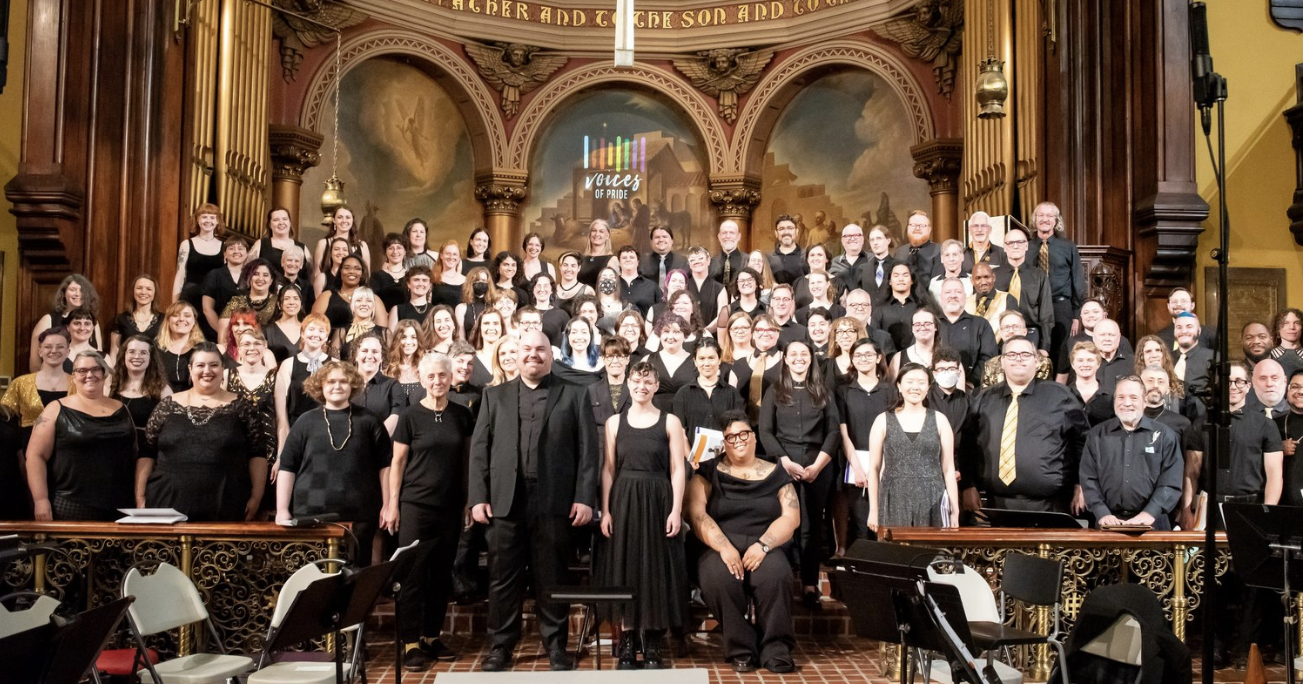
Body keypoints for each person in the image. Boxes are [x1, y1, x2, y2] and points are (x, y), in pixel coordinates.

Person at [468, 331, 599, 672]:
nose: (533, 355)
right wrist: (478, 497)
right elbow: (479, 451)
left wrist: (585, 498)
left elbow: (588, 452)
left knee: (552, 577)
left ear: (551, 356)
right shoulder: (493, 396)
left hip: (554, 500)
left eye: (540, 349)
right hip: (504, 501)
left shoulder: (575, 394)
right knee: (502, 578)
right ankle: (500, 646)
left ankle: (555, 646)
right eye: (526, 349)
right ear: (516, 354)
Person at [685, 409, 801, 673]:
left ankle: (775, 648)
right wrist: (724, 547)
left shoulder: (776, 472)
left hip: (764, 546)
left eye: (743, 434)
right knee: (719, 577)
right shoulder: (708, 472)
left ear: (754, 436)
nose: (738, 440)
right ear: (723, 442)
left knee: (776, 575)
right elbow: (696, 513)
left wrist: (763, 546)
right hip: (718, 546)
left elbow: (791, 517)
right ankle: (741, 647)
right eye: (731, 437)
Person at [382, 352, 475, 670]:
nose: (437, 381)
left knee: (441, 575)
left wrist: (468, 499)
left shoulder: (462, 415)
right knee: (412, 575)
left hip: (449, 507)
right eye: (431, 376)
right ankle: (410, 642)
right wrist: (393, 505)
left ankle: (431, 636)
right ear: (422, 380)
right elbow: (397, 463)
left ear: (451, 378)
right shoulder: (410, 416)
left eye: (442, 375)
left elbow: (466, 461)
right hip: (415, 506)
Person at [599, 361, 688, 669]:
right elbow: (608, 469)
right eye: (636, 381)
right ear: (628, 383)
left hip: (658, 498)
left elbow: (678, 469)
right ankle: (627, 639)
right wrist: (606, 510)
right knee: (626, 566)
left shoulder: (670, 421)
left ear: (656, 386)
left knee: (655, 567)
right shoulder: (613, 422)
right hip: (624, 499)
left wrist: (676, 509)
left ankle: (652, 639)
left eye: (648, 381)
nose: (642, 386)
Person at [140, 342, 271, 521]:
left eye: (214, 365)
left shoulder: (243, 407)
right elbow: (147, 452)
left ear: (223, 368)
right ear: (190, 369)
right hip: (166, 502)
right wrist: (140, 497)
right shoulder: (167, 406)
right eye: (200, 365)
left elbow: (258, 453)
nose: (207, 371)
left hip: (226, 503)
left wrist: (256, 497)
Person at [277, 360, 391, 563]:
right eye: (330, 381)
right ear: (320, 385)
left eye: (343, 381)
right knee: (312, 576)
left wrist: (388, 504)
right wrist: (282, 510)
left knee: (356, 574)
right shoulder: (305, 421)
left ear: (352, 385)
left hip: (360, 514)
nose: (337, 386)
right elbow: (287, 467)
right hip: (311, 514)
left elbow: (385, 467)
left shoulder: (370, 420)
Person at [960, 336, 1089, 514]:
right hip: (995, 504)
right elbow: (967, 446)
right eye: (1011, 354)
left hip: (1051, 505)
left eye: (1025, 354)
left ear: (1037, 361)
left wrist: (1081, 484)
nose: (1018, 359)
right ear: (1002, 361)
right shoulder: (984, 399)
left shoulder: (1061, 396)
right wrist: (968, 485)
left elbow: (1083, 443)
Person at [759, 339, 839, 608]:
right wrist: (784, 461)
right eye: (793, 354)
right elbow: (765, 431)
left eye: (804, 354)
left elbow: (833, 431)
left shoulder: (824, 391)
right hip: (783, 465)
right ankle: (780, 585)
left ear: (811, 358)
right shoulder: (774, 390)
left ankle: (809, 585)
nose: (798, 358)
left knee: (811, 528)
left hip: (818, 464)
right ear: (785, 359)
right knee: (784, 524)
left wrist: (818, 465)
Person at [26, 350, 136, 521]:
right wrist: (40, 500)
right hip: (71, 505)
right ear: (74, 376)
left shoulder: (122, 408)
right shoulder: (53, 409)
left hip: (121, 504)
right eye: (82, 370)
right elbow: (34, 456)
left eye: (95, 369)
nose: (89, 375)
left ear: (104, 373)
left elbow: (134, 453)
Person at [1078, 376, 1184, 530]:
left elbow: (1171, 481)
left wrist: (1150, 513)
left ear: (1144, 401)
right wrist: (1102, 513)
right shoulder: (1097, 435)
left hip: (1153, 523)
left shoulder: (1165, 435)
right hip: (1107, 523)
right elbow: (1088, 478)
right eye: (1121, 397)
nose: (1126, 403)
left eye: (1133, 398)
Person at [867, 362, 960, 531]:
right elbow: (873, 468)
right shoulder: (883, 420)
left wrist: (955, 510)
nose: (915, 387)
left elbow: (948, 469)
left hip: (933, 498)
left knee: (930, 547)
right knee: (895, 546)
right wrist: (874, 509)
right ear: (899, 386)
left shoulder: (940, 420)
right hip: (893, 498)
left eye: (921, 382)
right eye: (909, 381)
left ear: (928, 387)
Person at [835, 337, 896, 550]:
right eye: (858, 355)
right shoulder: (844, 391)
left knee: (883, 526)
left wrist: (879, 468)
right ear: (852, 359)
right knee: (861, 524)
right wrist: (858, 469)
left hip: (885, 465)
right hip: (855, 467)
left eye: (869, 354)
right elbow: (843, 434)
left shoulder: (890, 390)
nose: (863, 359)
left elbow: (893, 432)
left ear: (878, 358)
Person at [1029, 202, 1087, 369]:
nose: (1045, 219)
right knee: (1037, 349)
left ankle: (1058, 383)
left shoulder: (1068, 247)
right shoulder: (1027, 247)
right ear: (1035, 219)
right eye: (1041, 215)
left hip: (1060, 306)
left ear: (1056, 221)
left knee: (1062, 351)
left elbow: (1078, 281)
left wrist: (1076, 315)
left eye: (1049, 216)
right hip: (1034, 307)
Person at [273, 313, 332, 457]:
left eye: (321, 330)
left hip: (328, 434)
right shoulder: (288, 364)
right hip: (297, 432)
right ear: (302, 333)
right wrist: (283, 449)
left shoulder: (335, 364)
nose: (315, 334)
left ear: (326, 337)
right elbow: (281, 412)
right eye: (311, 329)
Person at [673, 337, 744, 456]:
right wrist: (691, 458)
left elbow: (738, 429)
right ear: (695, 361)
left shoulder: (732, 393)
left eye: (711, 358)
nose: (706, 363)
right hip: (693, 460)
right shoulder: (683, 394)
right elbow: (680, 433)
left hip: (726, 459)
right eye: (702, 359)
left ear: (719, 360)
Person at [992, 222, 1053, 352]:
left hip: (1031, 334)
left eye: (1020, 242)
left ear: (1026, 246)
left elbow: (1046, 314)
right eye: (1010, 243)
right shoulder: (993, 276)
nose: (1015, 246)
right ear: (1004, 247)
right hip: (999, 335)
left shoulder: (1039, 275)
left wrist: (1044, 347)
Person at [109, 334, 173, 457]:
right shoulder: (112, 385)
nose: (137, 356)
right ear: (124, 355)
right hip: (114, 450)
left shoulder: (163, 390)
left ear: (151, 358)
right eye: (132, 352)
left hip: (147, 454)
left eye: (143, 352)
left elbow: (171, 428)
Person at [29, 274, 105, 372]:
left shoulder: (94, 323)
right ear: (63, 293)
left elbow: (98, 355)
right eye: (73, 290)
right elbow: (35, 361)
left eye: (82, 290)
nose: (78, 294)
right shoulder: (48, 320)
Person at [4, 328, 71, 429]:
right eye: (48, 347)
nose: (54, 351)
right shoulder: (20, 383)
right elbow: (7, 423)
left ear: (68, 352)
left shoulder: (78, 384)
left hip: (68, 439)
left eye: (60, 347)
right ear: (40, 351)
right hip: (27, 438)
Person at [936, 277, 998, 388]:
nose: (953, 295)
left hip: (972, 389)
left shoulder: (981, 324)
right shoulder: (930, 324)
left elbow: (989, 358)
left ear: (965, 297)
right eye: (948, 292)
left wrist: (969, 383)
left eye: (958, 292)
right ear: (940, 297)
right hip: (934, 389)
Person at [172, 203, 227, 310]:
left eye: (212, 217)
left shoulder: (224, 246)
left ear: (217, 221)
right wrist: (174, 306)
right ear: (197, 220)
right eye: (204, 217)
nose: (208, 221)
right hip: (190, 297)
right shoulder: (186, 244)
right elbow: (180, 276)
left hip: (214, 299)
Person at [980, 310, 1053, 387]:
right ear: (1000, 333)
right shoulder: (990, 365)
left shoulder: (1042, 363)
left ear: (1025, 331)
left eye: (1016, 327)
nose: (1011, 331)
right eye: (1006, 327)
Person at [351, 334, 404, 435]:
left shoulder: (392, 385)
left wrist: (374, 440)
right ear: (355, 356)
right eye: (364, 351)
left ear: (382, 358)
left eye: (375, 352)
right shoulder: (345, 384)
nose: (369, 356)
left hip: (380, 442)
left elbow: (395, 416)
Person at [200, 236, 250, 340]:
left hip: (247, 335)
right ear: (225, 254)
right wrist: (223, 333)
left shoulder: (252, 276)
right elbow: (207, 309)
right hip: (216, 334)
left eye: (241, 248)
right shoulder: (214, 275)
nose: (236, 251)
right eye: (231, 248)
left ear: (247, 254)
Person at [219, 259, 277, 344]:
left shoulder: (279, 301)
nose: (260, 278)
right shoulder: (236, 301)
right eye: (256, 274)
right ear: (249, 277)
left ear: (271, 280)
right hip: (240, 348)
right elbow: (222, 336)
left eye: (265, 275)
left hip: (273, 348)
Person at [313, 254, 372, 332]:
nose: (352, 271)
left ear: (362, 273)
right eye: (347, 268)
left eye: (357, 268)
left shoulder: (372, 298)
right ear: (340, 272)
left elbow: (382, 330)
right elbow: (313, 325)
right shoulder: (327, 296)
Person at [110, 274, 163, 361]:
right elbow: (114, 352)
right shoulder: (121, 319)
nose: (143, 292)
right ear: (133, 291)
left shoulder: (164, 319)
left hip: (156, 367)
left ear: (154, 293)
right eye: (139, 288)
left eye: (149, 289)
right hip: (126, 367)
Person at [249, 207, 312, 280]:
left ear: (290, 222)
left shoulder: (302, 247)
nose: (281, 223)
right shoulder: (261, 244)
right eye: (276, 220)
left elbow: (311, 275)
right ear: (269, 224)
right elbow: (247, 270)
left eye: (285, 219)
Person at [156, 301, 204, 393]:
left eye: (187, 315)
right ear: (168, 320)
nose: (181, 319)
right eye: (176, 315)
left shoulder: (203, 349)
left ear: (194, 321)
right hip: (160, 398)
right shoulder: (155, 348)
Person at [1154, 286, 1219, 351]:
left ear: (1192, 305)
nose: (1178, 304)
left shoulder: (1211, 335)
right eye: (1174, 302)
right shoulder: (1159, 337)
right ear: (1168, 306)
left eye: (1184, 301)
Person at [928, 348, 970, 446]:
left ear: (959, 372)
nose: (946, 372)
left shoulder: (967, 401)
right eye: (941, 369)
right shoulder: (925, 399)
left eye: (951, 369)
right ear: (934, 374)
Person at [966, 261, 1019, 337]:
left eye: (986, 277)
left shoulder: (1008, 299)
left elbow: (1013, 332)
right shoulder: (965, 303)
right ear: (972, 281)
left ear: (993, 277)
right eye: (978, 278)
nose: (983, 282)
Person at [313, 205, 371, 274]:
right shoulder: (323, 243)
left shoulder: (362, 245)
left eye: (348, 217)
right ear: (334, 220)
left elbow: (367, 273)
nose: (344, 221)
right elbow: (316, 272)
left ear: (352, 220)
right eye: (340, 217)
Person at [1068, 340, 1114, 427]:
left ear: (1098, 364)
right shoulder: (1064, 395)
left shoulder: (1111, 397)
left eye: (1090, 360)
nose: (1085, 364)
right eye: (1080, 360)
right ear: (1073, 364)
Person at [888, 308, 940, 380]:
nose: (922, 328)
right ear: (912, 329)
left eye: (927, 324)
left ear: (936, 327)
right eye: (917, 324)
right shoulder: (898, 358)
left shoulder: (947, 356)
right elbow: (892, 386)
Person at [1170, 311, 1213, 397]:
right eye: (1179, 327)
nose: (1184, 331)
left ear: (1199, 331)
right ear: (1174, 331)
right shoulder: (1166, 357)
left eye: (1189, 326)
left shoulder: (1213, 357)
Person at [685, 245, 727, 333]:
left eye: (700, 258)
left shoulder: (720, 289)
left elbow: (722, 316)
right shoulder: (684, 286)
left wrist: (706, 332)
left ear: (708, 261)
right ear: (689, 264)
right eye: (692, 260)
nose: (697, 262)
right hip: (686, 335)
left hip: (712, 336)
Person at [894, 210, 940, 285]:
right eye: (913, 225)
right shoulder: (900, 252)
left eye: (922, 225)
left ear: (929, 229)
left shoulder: (939, 251)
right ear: (908, 228)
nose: (917, 228)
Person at [856, 225, 899, 304]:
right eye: (872, 240)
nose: (875, 243)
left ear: (888, 240)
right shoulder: (863, 269)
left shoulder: (899, 266)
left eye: (879, 238)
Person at [264, 285, 305, 364]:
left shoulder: (308, 329)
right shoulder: (268, 330)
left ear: (301, 304)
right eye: (286, 298)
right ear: (279, 304)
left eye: (296, 298)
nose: (291, 302)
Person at [1279, 370, 1303, 507]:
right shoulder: (1272, 424)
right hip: (1280, 506)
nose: (1301, 392)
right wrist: (1277, 449)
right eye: (1295, 386)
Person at [387, 320, 427, 402]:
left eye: (413, 337)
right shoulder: (388, 367)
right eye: (403, 337)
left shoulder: (427, 366)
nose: (408, 342)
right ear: (397, 340)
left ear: (419, 340)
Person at [370, 233, 410, 314]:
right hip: (382, 318)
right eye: (391, 248)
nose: (395, 251)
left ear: (405, 251)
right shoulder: (377, 276)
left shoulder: (410, 276)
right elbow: (372, 300)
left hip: (406, 318)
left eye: (399, 248)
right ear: (385, 252)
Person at [1093, 318, 1133, 398]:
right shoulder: (1084, 363)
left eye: (1112, 335)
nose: (1107, 339)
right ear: (1094, 337)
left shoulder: (1133, 362)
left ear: (1119, 337)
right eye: (1102, 335)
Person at [616, 245, 658, 317]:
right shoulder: (613, 285)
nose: (628, 260)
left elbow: (661, 310)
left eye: (632, 257)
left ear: (638, 262)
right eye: (624, 258)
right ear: (619, 262)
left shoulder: (651, 286)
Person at [927, 239, 973, 303]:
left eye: (955, 254)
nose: (951, 259)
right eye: (947, 255)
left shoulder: (971, 280)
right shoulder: (934, 283)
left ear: (962, 257)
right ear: (942, 259)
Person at [829, 224, 869, 293]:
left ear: (862, 239)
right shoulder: (834, 263)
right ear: (842, 241)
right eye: (848, 236)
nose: (852, 239)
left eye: (856, 235)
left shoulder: (872, 259)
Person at [768, 215, 806, 285]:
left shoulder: (806, 256)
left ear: (797, 231)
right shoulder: (768, 258)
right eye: (781, 229)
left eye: (790, 228)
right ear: (776, 233)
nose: (786, 232)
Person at [709, 219, 746, 285]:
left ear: (738, 236)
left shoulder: (747, 260)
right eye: (724, 233)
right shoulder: (710, 262)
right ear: (719, 237)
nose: (728, 236)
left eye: (732, 233)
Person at [433, 241, 469, 308]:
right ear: (441, 256)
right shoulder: (433, 278)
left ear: (459, 258)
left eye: (454, 254)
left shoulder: (466, 281)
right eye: (448, 254)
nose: (451, 257)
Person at [1270, 308, 1304, 378]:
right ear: (1278, 329)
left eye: (1297, 323)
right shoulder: (1268, 356)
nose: (1292, 327)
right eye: (1286, 323)